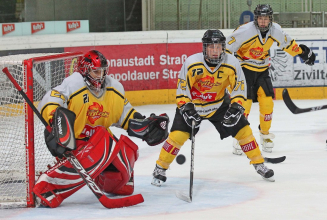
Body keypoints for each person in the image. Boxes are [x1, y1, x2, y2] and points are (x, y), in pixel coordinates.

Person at [33, 50, 169, 208]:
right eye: (96, 71)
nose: (100, 75)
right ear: (84, 70)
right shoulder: (74, 84)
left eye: (103, 71)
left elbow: (126, 115)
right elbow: (51, 100)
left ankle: (106, 182)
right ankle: (47, 187)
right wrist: (54, 122)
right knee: (104, 139)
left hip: (101, 147)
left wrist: (146, 125)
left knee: (127, 153)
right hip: (72, 143)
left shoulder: (114, 89)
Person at [151, 29, 275, 187]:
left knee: (244, 131)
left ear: (223, 47)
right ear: (205, 48)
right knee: (177, 137)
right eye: (211, 47)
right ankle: (160, 168)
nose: (215, 51)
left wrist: (236, 106)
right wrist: (187, 109)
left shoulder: (231, 63)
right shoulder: (191, 63)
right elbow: (182, 90)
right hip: (193, 106)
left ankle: (259, 164)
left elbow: (239, 88)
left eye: (219, 47)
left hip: (219, 105)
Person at [226, 4, 316, 155]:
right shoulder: (245, 30)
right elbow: (227, 48)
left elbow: (288, 44)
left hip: (262, 71)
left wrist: (303, 53)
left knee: (267, 105)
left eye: (266, 18)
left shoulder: (276, 30)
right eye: (260, 18)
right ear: (256, 19)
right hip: (245, 70)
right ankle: (240, 137)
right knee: (244, 106)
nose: (263, 21)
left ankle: (265, 135)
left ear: (270, 19)